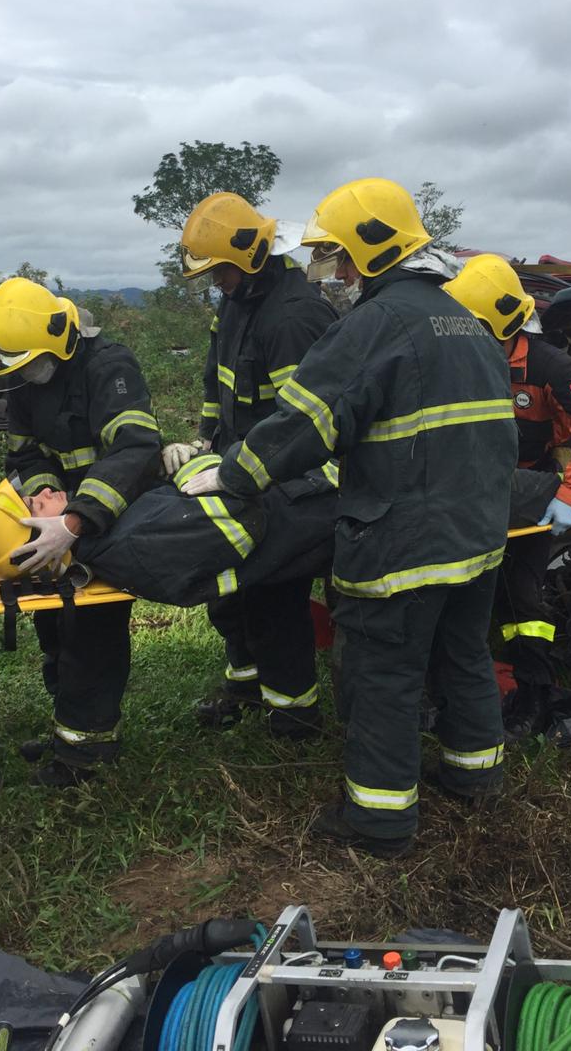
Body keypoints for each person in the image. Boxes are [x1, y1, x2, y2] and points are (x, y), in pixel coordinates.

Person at [182, 179, 517, 857]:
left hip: (403, 538)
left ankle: (379, 820)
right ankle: (475, 776)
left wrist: (234, 474)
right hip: (477, 534)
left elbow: (304, 422)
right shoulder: (462, 321)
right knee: (463, 653)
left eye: (341, 256)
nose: (337, 272)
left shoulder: (373, 327)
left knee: (382, 674)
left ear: (370, 250)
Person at [166, 192, 337, 739]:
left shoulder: (292, 316)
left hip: (294, 481)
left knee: (274, 596)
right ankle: (244, 684)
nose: (216, 282)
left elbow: (301, 424)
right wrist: (203, 441)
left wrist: (253, 474)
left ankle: (292, 715)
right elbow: (218, 386)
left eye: (220, 271)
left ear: (250, 257)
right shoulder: (237, 304)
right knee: (233, 591)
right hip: (243, 468)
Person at [0, 277, 162, 786]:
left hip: (108, 522)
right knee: (54, 630)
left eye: (32, 364)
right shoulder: (24, 378)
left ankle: (86, 756)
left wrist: (76, 519)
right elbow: (25, 451)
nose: (28, 376)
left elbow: (134, 449)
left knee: (93, 637)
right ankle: (69, 730)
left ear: (60, 339)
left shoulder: (108, 367)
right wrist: (44, 497)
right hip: (55, 525)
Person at [444, 254, 571, 736]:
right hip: (468, 488)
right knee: (470, 590)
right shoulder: (460, 360)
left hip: (528, 489)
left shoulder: (549, 365)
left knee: (522, 594)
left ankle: (533, 690)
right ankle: (469, 679)